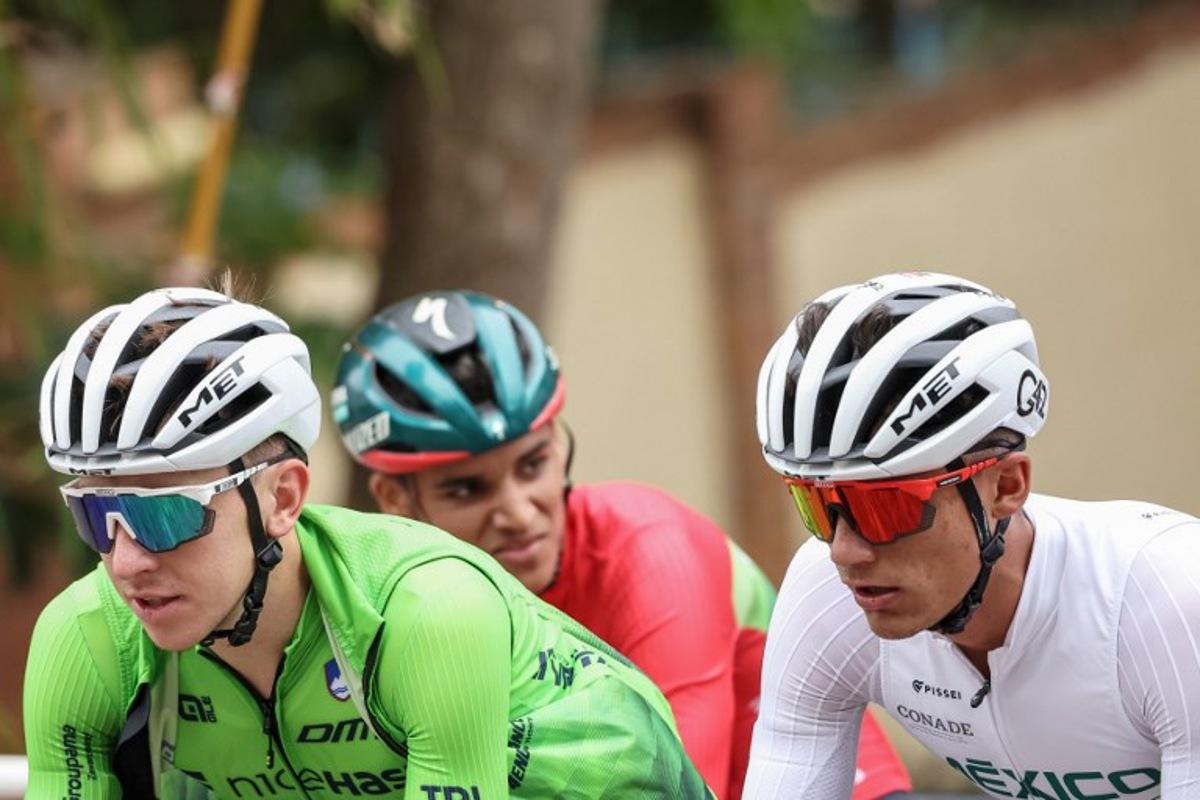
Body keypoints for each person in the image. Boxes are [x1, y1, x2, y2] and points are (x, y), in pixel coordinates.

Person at [23, 283, 715, 799]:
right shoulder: (86, 637)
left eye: (167, 516)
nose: (126, 560)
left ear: (283, 498)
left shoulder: (430, 610)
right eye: (97, 514)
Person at [331, 289, 913, 800]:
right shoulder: (386, 601)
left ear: (560, 442)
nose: (518, 512)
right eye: (467, 489)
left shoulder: (651, 551)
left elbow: (674, 787)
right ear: (394, 498)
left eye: (533, 464)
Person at [743, 270, 1200, 798]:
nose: (844, 552)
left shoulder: (1170, 602)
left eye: (886, 507)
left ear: (1006, 485)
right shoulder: (823, 594)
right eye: (819, 507)